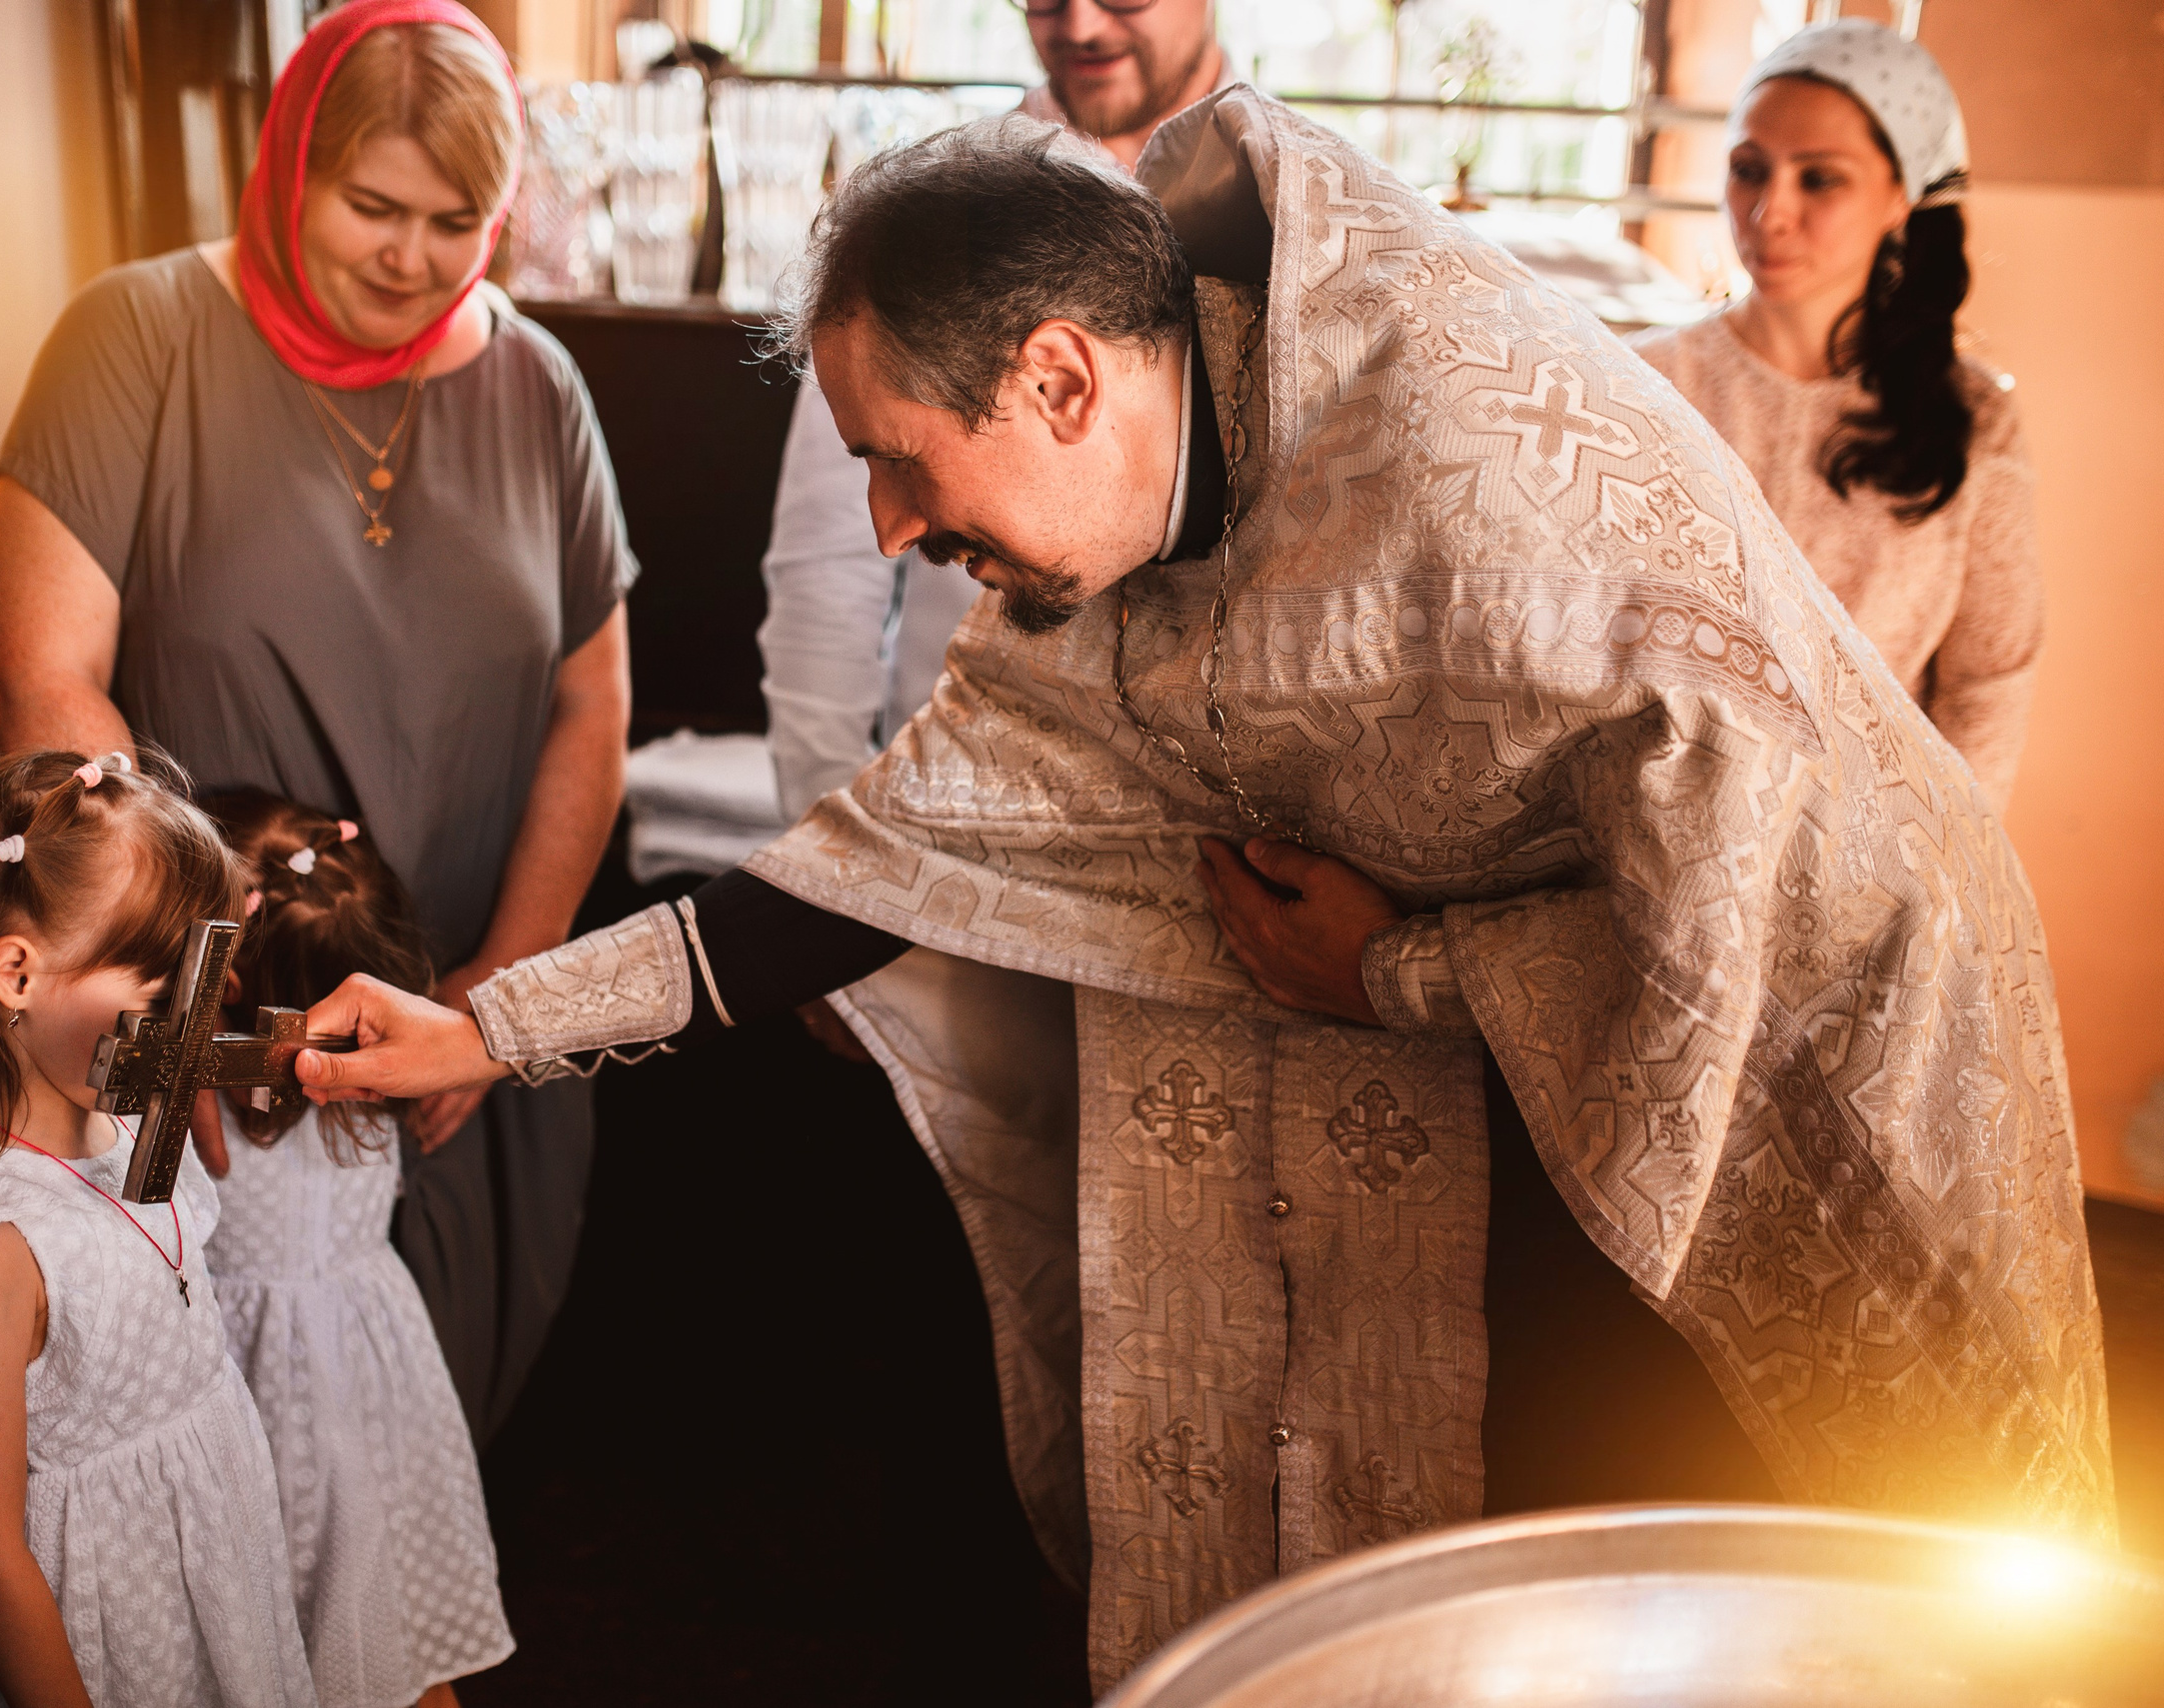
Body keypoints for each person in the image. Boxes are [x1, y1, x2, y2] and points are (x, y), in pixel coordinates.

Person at [288, 98, 2114, 1690]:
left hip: (1837, 1000)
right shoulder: (1093, 562)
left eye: (898, 459)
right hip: (1545, 1032)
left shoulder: (1472, 472)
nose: (896, 532)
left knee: (1850, 1548)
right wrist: (490, 1024)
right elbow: (877, 864)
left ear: (1063, 377)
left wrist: (1399, 968)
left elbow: (1741, 884)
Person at [0, 0, 636, 1438]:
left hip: (466, 1009)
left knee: (430, 1453)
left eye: (457, 218)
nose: (411, 256)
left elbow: (593, 702)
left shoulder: (541, 385)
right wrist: (185, 981)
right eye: (371, 205)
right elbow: (36, 676)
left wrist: (501, 987)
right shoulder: (132, 333)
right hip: (212, 1022)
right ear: (288, 171)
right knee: (220, 1458)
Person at [0, 749, 316, 1708]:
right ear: (17, 972)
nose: (192, 1019)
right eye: (160, 995)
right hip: (97, 1615)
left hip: (210, 1558)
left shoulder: (133, 1111)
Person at [761, 0, 1233, 822]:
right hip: (959, 804)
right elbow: (827, 574)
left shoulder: (1280, 223)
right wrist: (830, 835)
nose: (1080, 24)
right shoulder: (926, 222)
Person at [1631, 21, 2039, 809]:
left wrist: (1935, 880)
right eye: (1749, 170)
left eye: (1819, 179)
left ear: (1901, 195)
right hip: (1645, 829)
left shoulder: (1975, 417)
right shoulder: (1643, 381)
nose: (1769, 211)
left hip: (1872, 859)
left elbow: (1988, 686)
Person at [200, 790, 513, 1708]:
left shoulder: (184, 1101)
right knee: (390, 1634)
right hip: (370, 1390)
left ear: (215, 978)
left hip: (246, 1395)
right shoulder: (376, 1078)